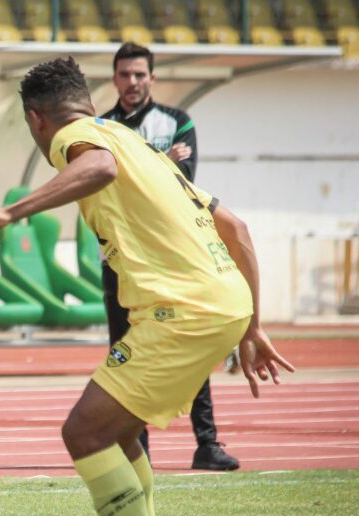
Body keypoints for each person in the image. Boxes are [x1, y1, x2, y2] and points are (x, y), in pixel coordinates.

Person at [0, 57, 293, 516]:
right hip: (219, 302)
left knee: (84, 432)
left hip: (183, 310)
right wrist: (251, 323)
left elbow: (98, 170)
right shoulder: (142, 147)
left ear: (37, 120)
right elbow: (237, 228)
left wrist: (8, 214)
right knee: (120, 432)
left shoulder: (77, 137)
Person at [100, 41, 239, 472]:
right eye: (125, 74)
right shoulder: (100, 126)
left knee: (190, 345)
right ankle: (135, 447)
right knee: (125, 352)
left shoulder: (178, 121)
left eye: (140, 74)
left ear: (152, 78)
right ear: (115, 78)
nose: (132, 82)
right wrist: (163, 160)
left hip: (173, 258)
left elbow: (180, 186)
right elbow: (103, 187)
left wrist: (140, 170)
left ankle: (207, 444)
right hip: (120, 261)